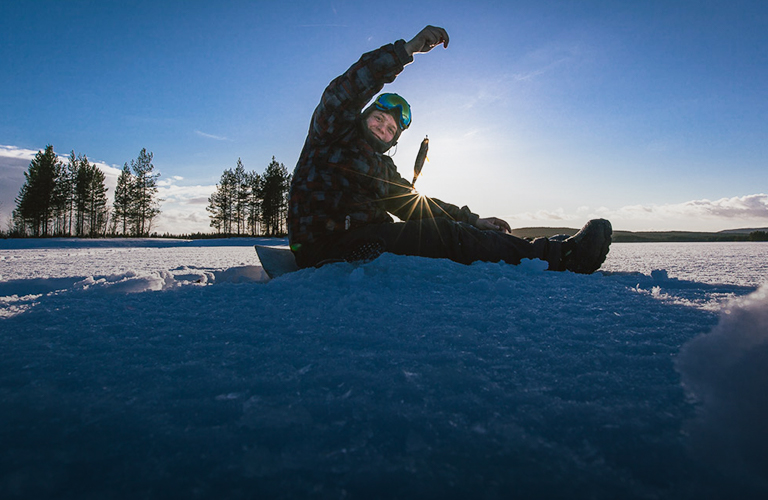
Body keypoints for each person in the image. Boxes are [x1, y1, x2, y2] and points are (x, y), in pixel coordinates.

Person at [288, 25, 611, 274]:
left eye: (390, 130)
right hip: (326, 249)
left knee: (440, 227)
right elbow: (346, 90)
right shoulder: (330, 133)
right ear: (364, 114)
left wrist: (474, 220)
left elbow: (417, 207)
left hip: (360, 241)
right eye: (379, 118)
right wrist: (406, 50)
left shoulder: (379, 168)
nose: (382, 129)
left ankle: (531, 249)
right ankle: (560, 258)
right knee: (439, 235)